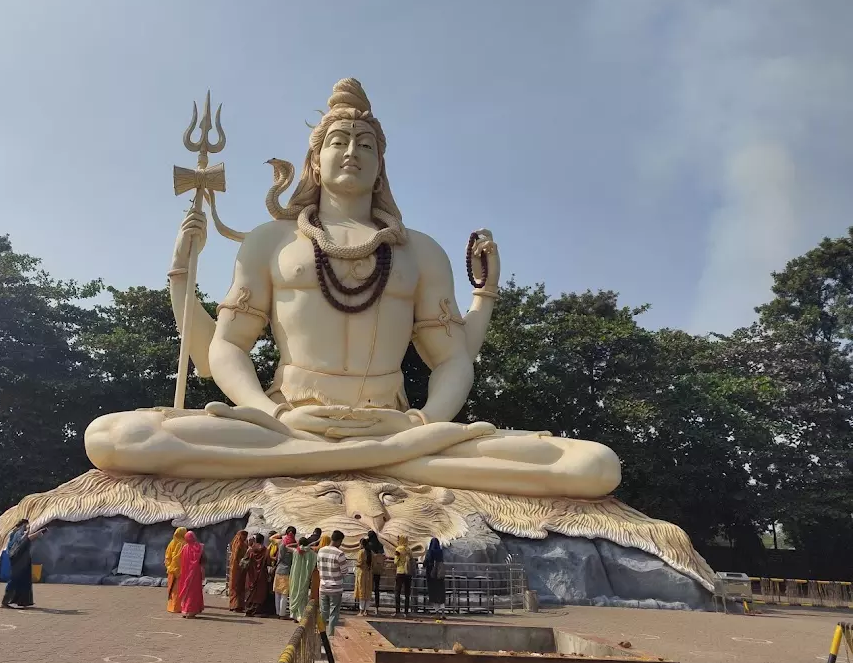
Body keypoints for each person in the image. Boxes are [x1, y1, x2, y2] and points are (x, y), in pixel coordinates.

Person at [85, 78, 622, 502]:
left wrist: (426, 424)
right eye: (338, 141)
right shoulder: (271, 242)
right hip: (287, 420)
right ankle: (361, 460)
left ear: (381, 165)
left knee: (595, 465)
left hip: (394, 425)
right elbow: (226, 347)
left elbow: (453, 360)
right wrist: (265, 414)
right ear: (314, 161)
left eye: (366, 143)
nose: (352, 151)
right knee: (113, 437)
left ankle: (368, 455)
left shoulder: (420, 251)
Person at [1, 519, 47, 609]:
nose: (27, 527)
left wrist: (36, 533)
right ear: (22, 525)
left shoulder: (16, 533)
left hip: (22, 560)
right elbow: (23, 541)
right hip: (19, 560)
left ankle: (23, 601)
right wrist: (34, 533)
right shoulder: (18, 533)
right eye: (26, 525)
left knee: (23, 580)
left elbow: (26, 539)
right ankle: (5, 601)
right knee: (15, 580)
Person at [317, 530, 351, 636]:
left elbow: (318, 567)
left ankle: (321, 636)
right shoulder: (339, 554)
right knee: (334, 613)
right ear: (339, 541)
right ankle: (331, 636)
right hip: (335, 588)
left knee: (323, 612)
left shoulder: (321, 551)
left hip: (323, 586)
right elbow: (345, 571)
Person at [289, 535, 317, 621]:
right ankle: (301, 615)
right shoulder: (312, 553)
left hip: (295, 576)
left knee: (294, 593)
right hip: (305, 577)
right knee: (303, 595)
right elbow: (314, 564)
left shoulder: (296, 551)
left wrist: (296, 545)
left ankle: (294, 615)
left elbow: (287, 546)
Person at [178, 530, 206, 618]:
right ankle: (191, 611)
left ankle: (185, 610)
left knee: (187, 590)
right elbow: (203, 559)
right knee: (194, 592)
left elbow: (181, 561)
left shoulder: (184, 548)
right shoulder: (199, 547)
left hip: (186, 573)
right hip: (195, 573)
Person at [271, 527, 297, 618]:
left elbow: (271, 538)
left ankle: (278, 613)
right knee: (284, 594)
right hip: (288, 571)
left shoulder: (281, 542)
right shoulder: (295, 544)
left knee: (277, 593)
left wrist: (281, 534)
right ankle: (282, 614)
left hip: (279, 570)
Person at [243, 534, 270, 617]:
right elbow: (268, 562)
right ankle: (258, 611)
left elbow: (245, 560)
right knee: (260, 592)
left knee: (250, 591)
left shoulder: (250, 549)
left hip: (251, 574)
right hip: (261, 574)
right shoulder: (265, 550)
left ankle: (248, 610)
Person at [164, 526, 187, 613]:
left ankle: (172, 607)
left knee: (172, 589)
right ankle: (179, 607)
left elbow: (167, 556)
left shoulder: (172, 543)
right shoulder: (185, 544)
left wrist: (169, 566)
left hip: (172, 570)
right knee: (179, 589)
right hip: (181, 571)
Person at [424, 537, 446, 618]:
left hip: (432, 576)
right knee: (441, 594)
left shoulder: (430, 552)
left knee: (434, 594)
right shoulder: (440, 552)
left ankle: (437, 613)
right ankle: (443, 613)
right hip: (440, 576)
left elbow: (425, 562)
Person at [227, 530, 249, 612]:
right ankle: (237, 606)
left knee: (235, 586)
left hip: (235, 567)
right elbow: (236, 556)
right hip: (238, 568)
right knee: (238, 586)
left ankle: (233, 605)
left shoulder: (236, 543)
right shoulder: (239, 544)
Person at [393, 535, 414, 617]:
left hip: (400, 572)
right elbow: (411, 559)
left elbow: (395, 562)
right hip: (408, 573)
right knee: (407, 593)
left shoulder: (399, 549)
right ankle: (406, 612)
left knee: (397, 591)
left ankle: (397, 611)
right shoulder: (409, 549)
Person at [367, 530, 386, 616]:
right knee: (377, 589)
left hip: (369, 569)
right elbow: (383, 555)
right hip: (377, 569)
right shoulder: (379, 545)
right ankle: (377, 608)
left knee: (367, 588)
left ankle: (365, 608)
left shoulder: (368, 545)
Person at [309, 533, 331, 605]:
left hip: (316, 571)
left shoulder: (316, 549)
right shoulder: (330, 551)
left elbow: (307, 546)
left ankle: (314, 604)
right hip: (327, 572)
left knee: (315, 588)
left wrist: (316, 541)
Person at [354, 537, 373, 617]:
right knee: (367, 592)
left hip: (361, 574)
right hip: (369, 573)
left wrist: (355, 564)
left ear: (361, 544)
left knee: (362, 591)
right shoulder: (370, 552)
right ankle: (366, 610)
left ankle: (361, 611)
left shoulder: (361, 552)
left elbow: (359, 563)